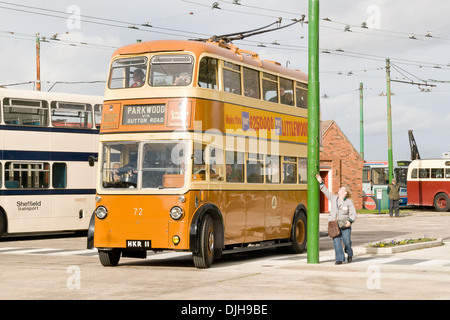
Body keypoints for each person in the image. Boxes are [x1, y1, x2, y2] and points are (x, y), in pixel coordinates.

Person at [316, 174, 357, 265]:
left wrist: (350, 221)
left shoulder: (348, 202)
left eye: (342, 189)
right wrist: (320, 181)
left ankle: (349, 253)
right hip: (334, 224)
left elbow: (353, 213)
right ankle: (339, 259)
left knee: (347, 241)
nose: (340, 190)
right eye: (340, 189)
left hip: (344, 224)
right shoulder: (334, 198)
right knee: (336, 241)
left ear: (345, 193)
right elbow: (325, 191)